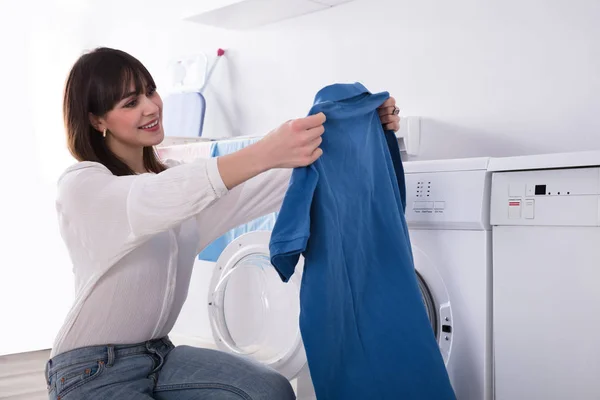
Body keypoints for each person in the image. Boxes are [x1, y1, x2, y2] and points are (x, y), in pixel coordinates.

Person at [44, 47, 401, 400]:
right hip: (90, 371)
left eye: (150, 91)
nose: (151, 107)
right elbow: (152, 196)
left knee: (269, 391)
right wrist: (264, 150)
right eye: (130, 103)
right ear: (96, 121)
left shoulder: (180, 184)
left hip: (159, 355)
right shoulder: (84, 186)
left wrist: (361, 130)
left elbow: (269, 184)